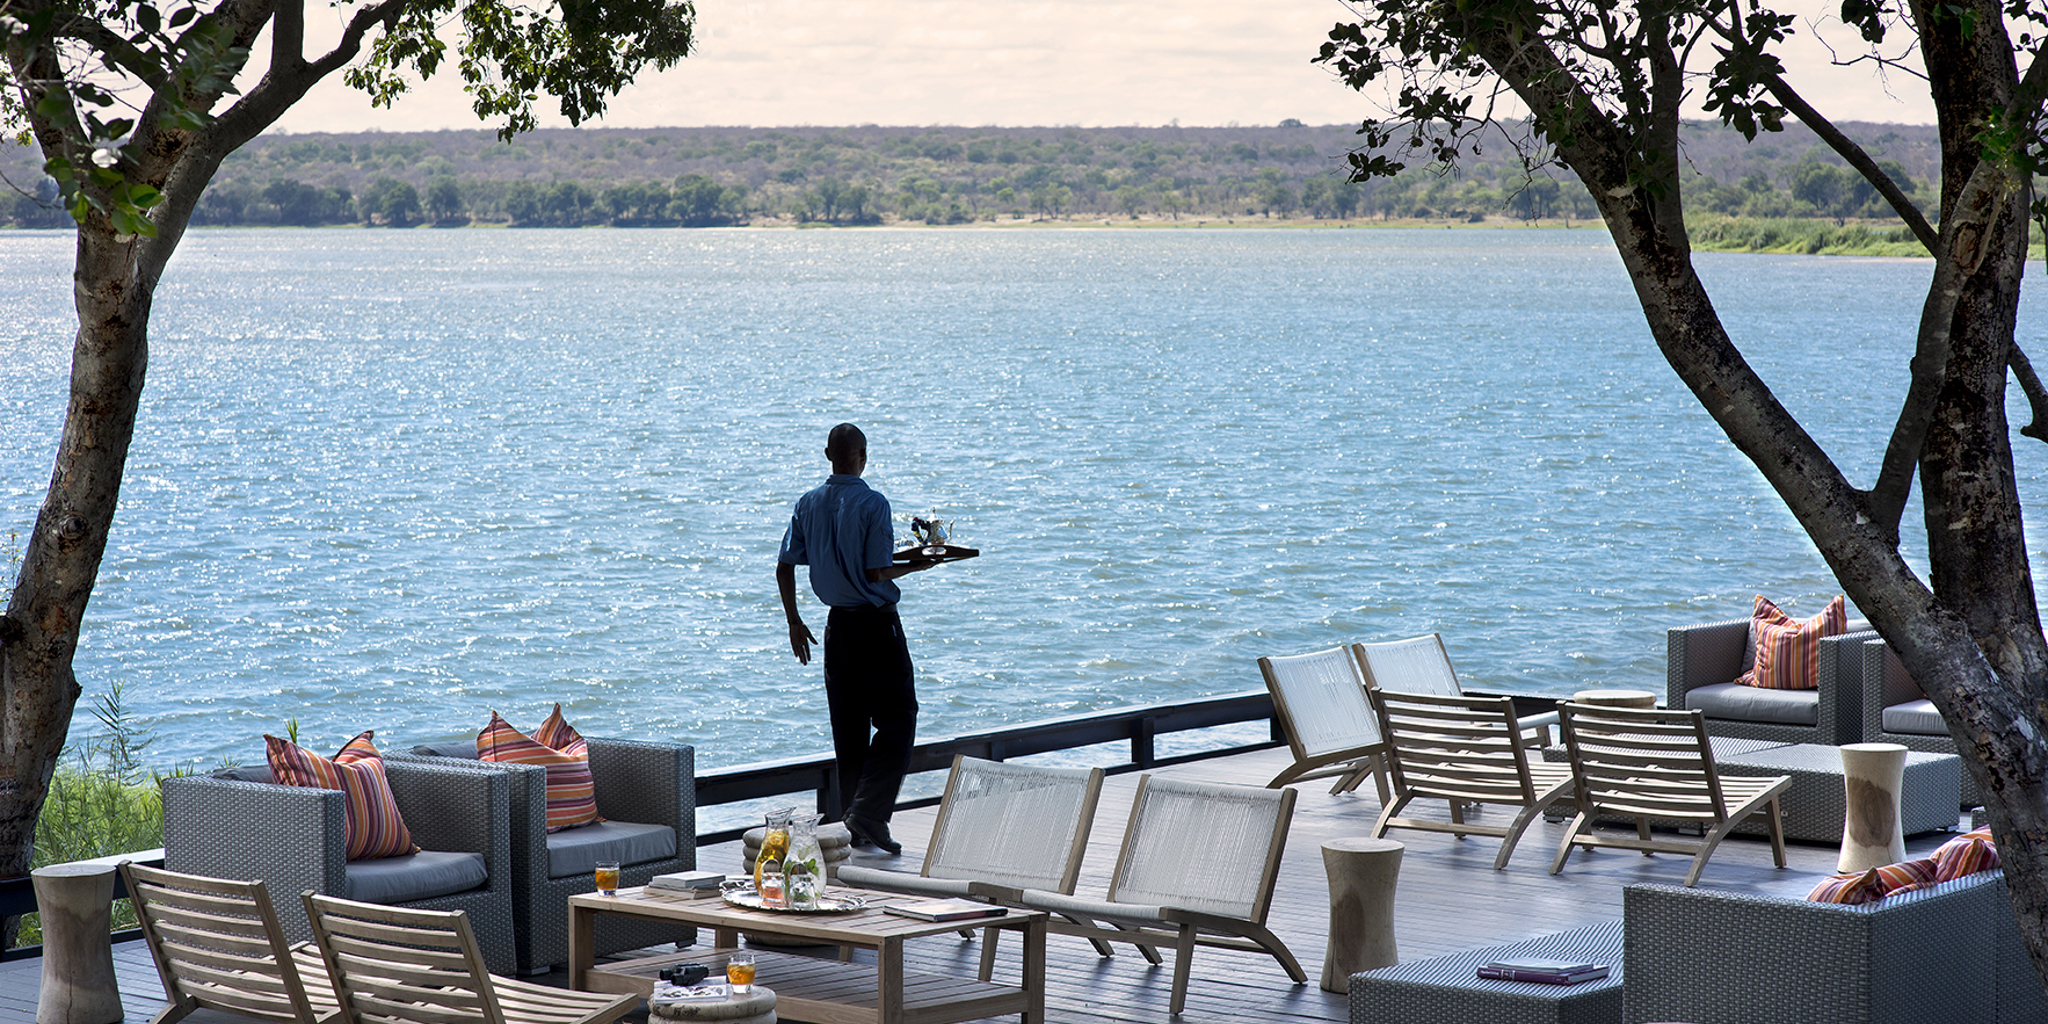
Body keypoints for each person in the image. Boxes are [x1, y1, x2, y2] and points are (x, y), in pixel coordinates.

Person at [776, 423, 934, 854]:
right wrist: (920, 564)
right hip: (876, 625)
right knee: (899, 720)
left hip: (836, 628)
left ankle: (854, 825)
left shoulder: (808, 503)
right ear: (863, 455)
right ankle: (867, 814)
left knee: (848, 729)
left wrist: (793, 621)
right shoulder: (873, 502)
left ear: (829, 454)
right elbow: (877, 572)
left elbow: (785, 565)